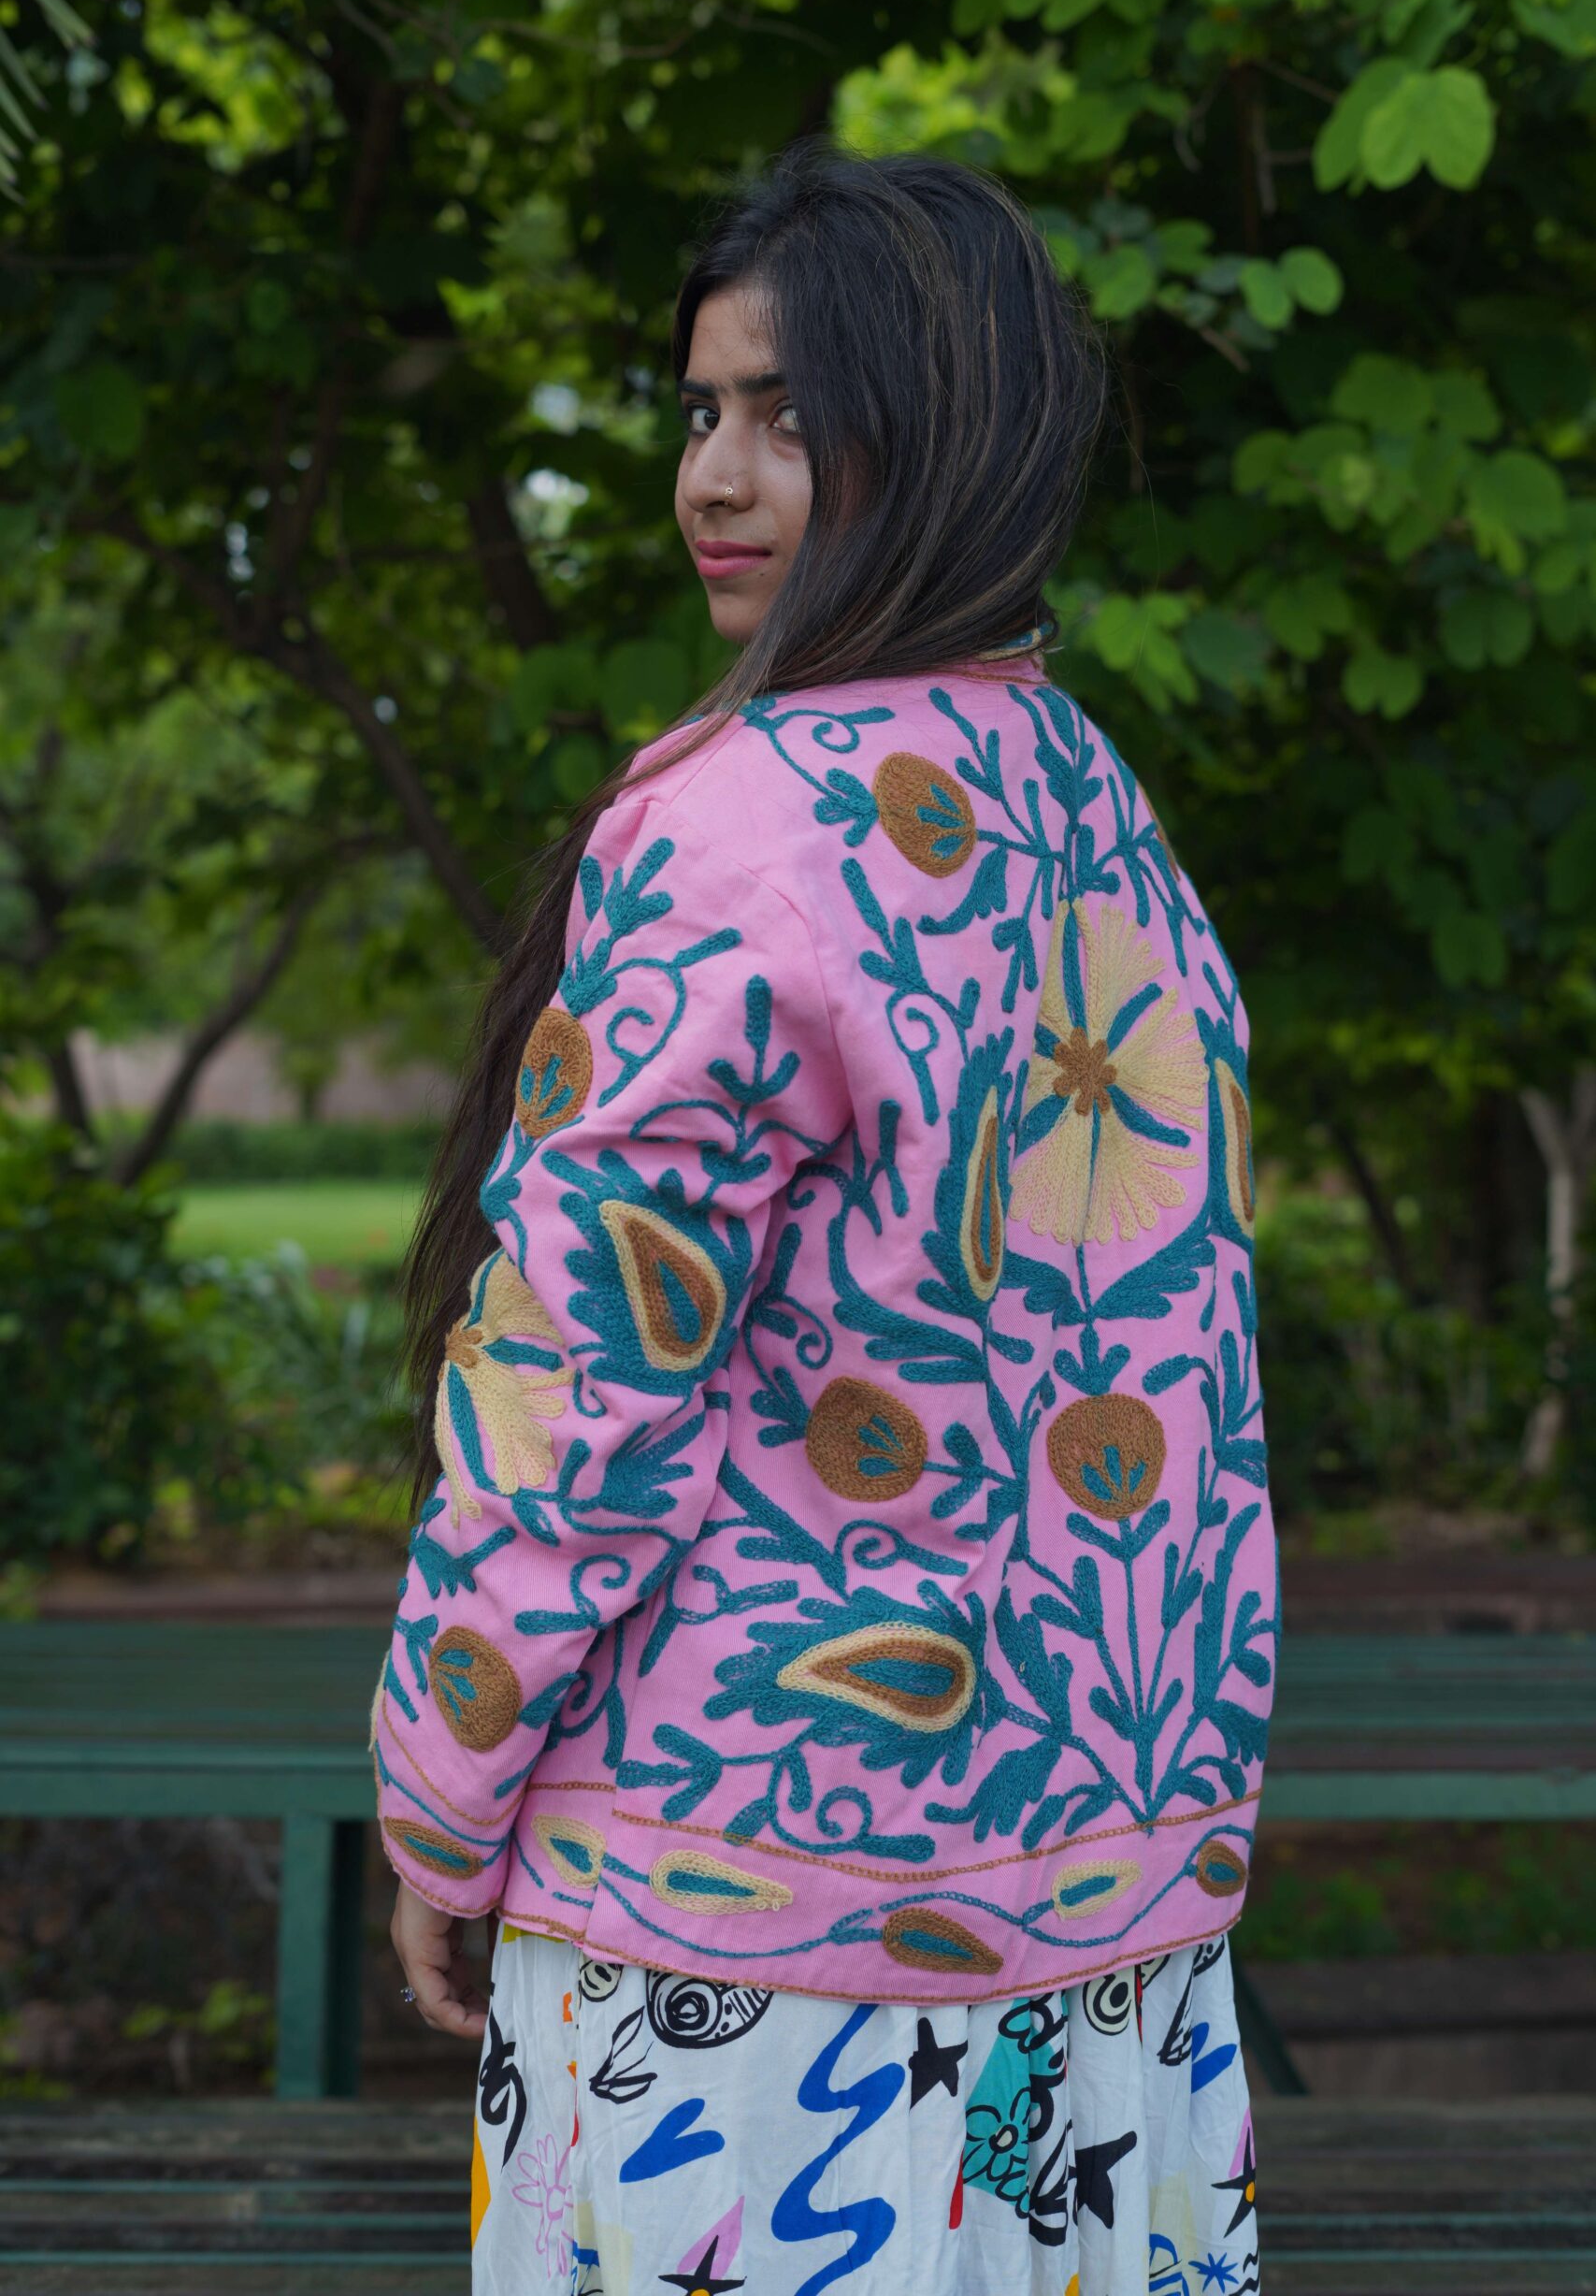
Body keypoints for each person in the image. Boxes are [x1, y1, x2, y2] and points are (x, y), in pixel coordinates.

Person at [373, 136, 1273, 2296]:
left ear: (943, 430)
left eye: (787, 415)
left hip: (750, 1955)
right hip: (1093, 1931)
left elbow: (574, 1389)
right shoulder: (1089, 807)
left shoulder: (736, 827)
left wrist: (441, 1788)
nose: (714, 473)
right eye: (699, 411)